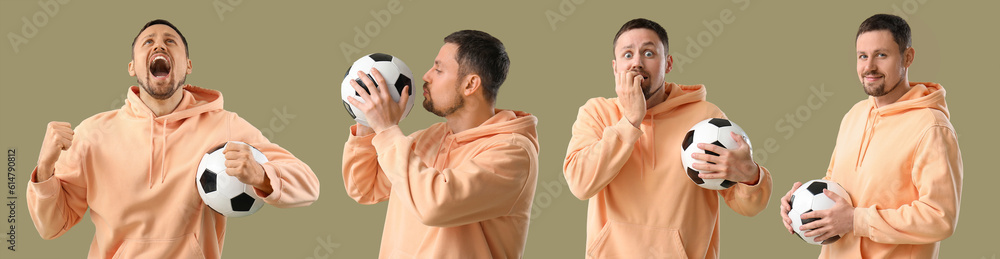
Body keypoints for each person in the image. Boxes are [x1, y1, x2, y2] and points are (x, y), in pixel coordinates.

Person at [26, 19, 320, 258]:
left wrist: (262, 174)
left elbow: (309, 186)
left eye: (170, 41)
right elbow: (51, 227)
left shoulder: (226, 126)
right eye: (148, 41)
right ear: (132, 67)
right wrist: (45, 168)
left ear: (188, 65)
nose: (159, 44)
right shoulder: (92, 134)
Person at [563, 18, 771, 258]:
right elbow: (580, 184)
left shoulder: (706, 117)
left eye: (649, 53)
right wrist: (630, 121)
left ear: (668, 63)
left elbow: (748, 206)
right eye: (627, 55)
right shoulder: (596, 112)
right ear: (615, 67)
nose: (637, 63)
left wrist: (751, 176)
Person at [779, 13, 963, 258]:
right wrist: (800, 204)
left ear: (907, 57)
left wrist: (857, 220)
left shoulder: (932, 127)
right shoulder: (854, 115)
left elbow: (940, 217)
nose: (869, 67)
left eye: (882, 55)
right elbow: (837, 184)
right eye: (862, 56)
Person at [342, 30, 538, 258]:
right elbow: (365, 189)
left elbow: (434, 205)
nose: (426, 76)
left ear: (470, 84)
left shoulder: (512, 153)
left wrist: (386, 129)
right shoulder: (426, 138)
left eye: (438, 69)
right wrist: (366, 118)